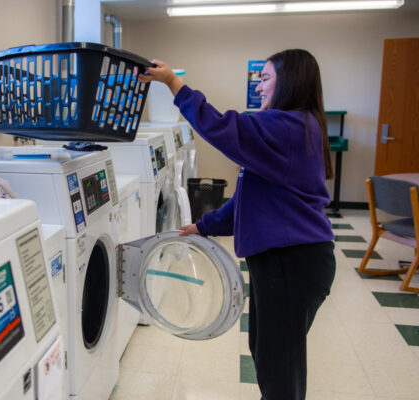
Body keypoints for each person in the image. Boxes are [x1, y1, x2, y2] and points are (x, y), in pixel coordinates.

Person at [138, 49, 336, 400]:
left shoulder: (287, 127)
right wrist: (205, 225)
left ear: (290, 82)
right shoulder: (297, 127)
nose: (259, 88)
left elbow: (222, 127)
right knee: (267, 351)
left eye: (265, 79)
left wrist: (173, 83)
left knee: (279, 368)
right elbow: (251, 199)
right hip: (286, 262)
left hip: (291, 263)